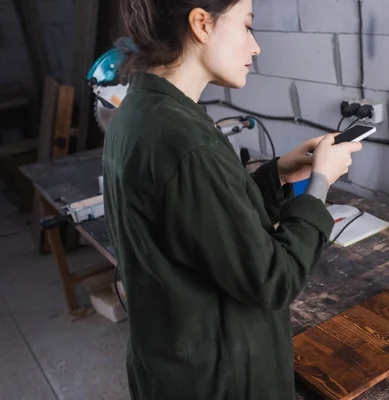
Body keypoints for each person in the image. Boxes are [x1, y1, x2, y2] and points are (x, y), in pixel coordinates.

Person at [102, 0, 363, 399]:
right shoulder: (185, 141)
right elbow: (273, 279)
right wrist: (321, 182)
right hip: (219, 378)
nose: (255, 46)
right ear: (201, 24)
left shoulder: (142, 111)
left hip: (173, 360)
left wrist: (279, 174)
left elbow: (202, 220)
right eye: (246, 26)